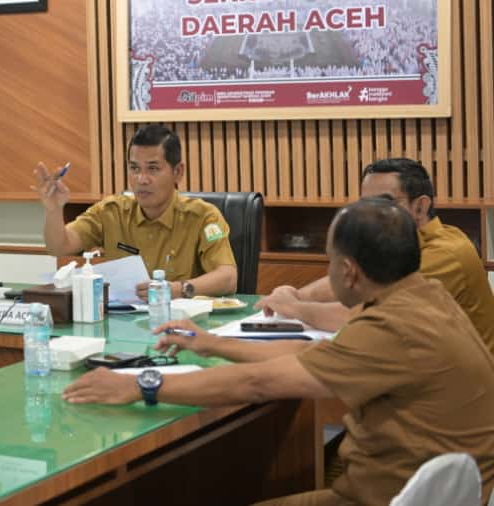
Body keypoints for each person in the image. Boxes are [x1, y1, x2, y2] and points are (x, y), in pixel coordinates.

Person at [63, 198, 494, 506]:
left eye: (329, 261)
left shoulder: (390, 327)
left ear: (348, 271)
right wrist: (212, 343)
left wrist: (142, 384)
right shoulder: (424, 296)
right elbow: (307, 356)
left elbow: (259, 383)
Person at [257, 158, 494, 352]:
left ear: (420, 207)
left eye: (384, 203)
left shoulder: (445, 254)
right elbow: (348, 280)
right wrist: (296, 294)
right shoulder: (395, 242)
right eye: (366, 204)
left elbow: (366, 317)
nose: (372, 214)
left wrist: (295, 308)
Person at [34, 124, 237, 299]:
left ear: (177, 172)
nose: (142, 179)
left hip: (182, 324)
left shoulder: (203, 217)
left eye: (153, 169)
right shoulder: (111, 212)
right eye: (134, 168)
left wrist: (178, 289)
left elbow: (228, 278)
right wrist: (53, 210)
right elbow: (59, 247)